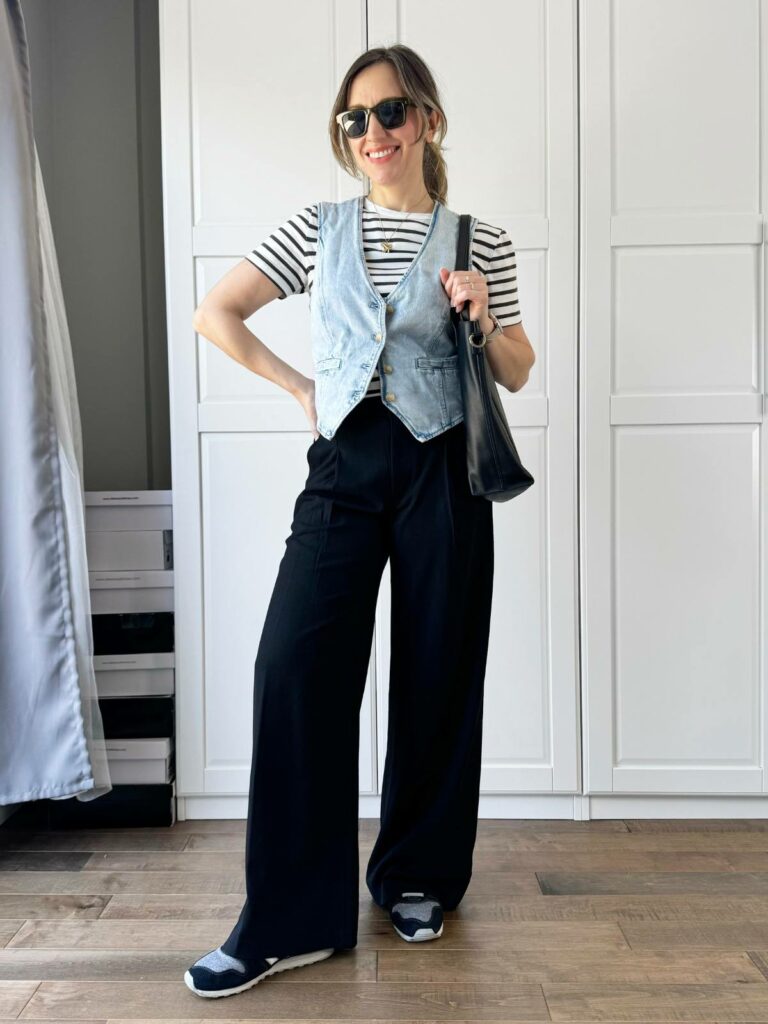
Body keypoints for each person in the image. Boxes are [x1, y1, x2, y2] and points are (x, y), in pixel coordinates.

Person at [184, 43, 535, 999]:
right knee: (293, 664)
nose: (371, 134)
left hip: (443, 467)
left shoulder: (477, 237)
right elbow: (217, 311)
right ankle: (292, 919)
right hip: (344, 463)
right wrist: (301, 387)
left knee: (437, 666)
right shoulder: (319, 228)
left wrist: (485, 313)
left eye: (387, 114)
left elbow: (519, 367)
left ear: (424, 119)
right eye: (354, 120)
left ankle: (416, 875)